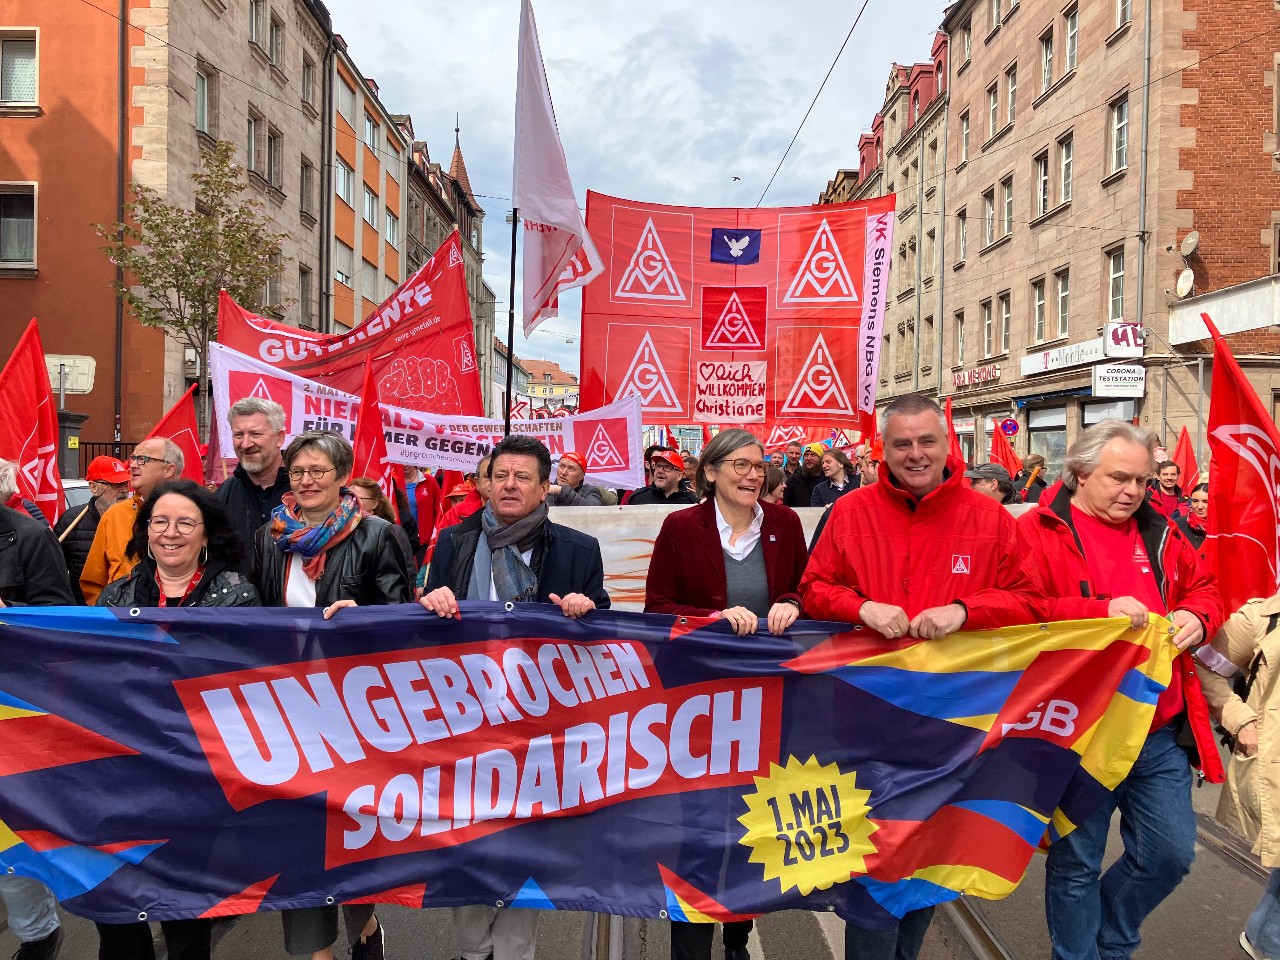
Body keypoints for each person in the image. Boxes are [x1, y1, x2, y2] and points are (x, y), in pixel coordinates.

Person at [799, 394, 1044, 960]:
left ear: (946, 443)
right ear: (884, 449)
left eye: (926, 441)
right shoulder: (851, 511)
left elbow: (1030, 600)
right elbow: (813, 587)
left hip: (952, 718)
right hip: (864, 711)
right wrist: (862, 608)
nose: (915, 454)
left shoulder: (989, 518)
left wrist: (964, 610)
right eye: (902, 444)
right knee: (878, 855)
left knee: (930, 851)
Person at [1017, 419, 1223, 960]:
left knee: (1169, 854)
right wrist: (1095, 612)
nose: (1133, 492)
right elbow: (1015, 614)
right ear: (1079, 474)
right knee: (1076, 863)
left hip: (1155, 728)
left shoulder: (1162, 531)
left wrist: (1199, 617)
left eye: (1142, 481)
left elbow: (1206, 589)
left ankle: (1111, 938)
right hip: (1076, 730)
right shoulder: (1036, 533)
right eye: (1119, 479)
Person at [420, 436, 609, 960]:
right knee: (468, 837)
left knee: (529, 840)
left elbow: (606, 628)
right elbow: (427, 631)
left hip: (542, 727)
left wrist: (585, 609)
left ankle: (516, 949)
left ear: (545, 487)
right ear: (484, 483)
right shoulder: (455, 543)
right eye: (500, 475)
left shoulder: (577, 550)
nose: (509, 485)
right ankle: (472, 948)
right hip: (466, 720)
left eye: (523, 477)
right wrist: (432, 601)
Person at [643, 428, 805, 960]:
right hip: (700, 706)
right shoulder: (680, 526)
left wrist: (790, 603)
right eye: (739, 465)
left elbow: (803, 589)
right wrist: (708, 619)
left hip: (769, 700)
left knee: (756, 821)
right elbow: (657, 608)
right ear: (710, 472)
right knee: (699, 827)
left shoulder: (783, 524)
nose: (752, 474)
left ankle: (739, 933)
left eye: (759, 466)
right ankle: (691, 939)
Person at [253, 430, 411, 960]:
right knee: (298, 833)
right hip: (287, 706)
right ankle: (312, 949)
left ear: (343, 477)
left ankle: (363, 925)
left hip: (351, 710)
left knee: (348, 829)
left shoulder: (377, 535)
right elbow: (254, 617)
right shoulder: (267, 535)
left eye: (318, 471)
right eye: (297, 472)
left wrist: (362, 620)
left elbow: (402, 619)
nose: (306, 481)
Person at [95, 479, 257, 959]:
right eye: (160, 522)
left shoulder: (237, 596)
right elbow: (89, 670)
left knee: (184, 906)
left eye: (186, 523)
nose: (171, 533)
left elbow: (240, 679)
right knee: (116, 900)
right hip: (123, 768)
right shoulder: (116, 594)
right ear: (146, 532)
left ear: (205, 534)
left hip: (194, 770)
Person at [0, 465, 73, 960]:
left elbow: (58, 617)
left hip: (12, 709)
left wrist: (10, 614)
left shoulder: (27, 535)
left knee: (11, 837)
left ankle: (38, 934)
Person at [1197, 594, 1280, 960]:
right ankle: (1266, 941)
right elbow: (1205, 666)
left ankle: (1264, 937)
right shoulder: (1262, 617)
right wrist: (1240, 721)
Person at [81, 437, 182, 604]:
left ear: (169, 469)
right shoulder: (114, 515)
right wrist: (110, 616)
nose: (133, 465)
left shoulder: (196, 514)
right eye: (133, 458)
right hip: (123, 625)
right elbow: (93, 583)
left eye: (143, 459)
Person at [216, 397, 291, 567]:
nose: (246, 443)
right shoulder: (224, 494)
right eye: (238, 435)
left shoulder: (304, 490)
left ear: (279, 438)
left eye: (255, 434)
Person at [53, 456, 131, 603]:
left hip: (126, 611)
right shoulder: (71, 522)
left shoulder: (137, 519)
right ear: (94, 487)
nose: (124, 490)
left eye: (125, 483)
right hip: (83, 611)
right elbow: (53, 572)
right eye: (116, 484)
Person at [348, 477, 417, 573]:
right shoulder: (335, 528)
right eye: (348, 496)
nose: (352, 501)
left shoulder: (390, 530)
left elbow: (406, 569)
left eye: (359, 498)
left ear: (374, 504)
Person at [627, 450, 698, 506]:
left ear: (679, 476)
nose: (660, 471)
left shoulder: (691, 502)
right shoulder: (639, 498)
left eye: (667, 467)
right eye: (658, 466)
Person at [782, 443, 824, 508]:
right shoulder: (794, 479)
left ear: (821, 458)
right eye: (806, 455)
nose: (809, 458)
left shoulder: (827, 478)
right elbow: (785, 504)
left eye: (813, 455)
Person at [1175, 482, 1208, 555]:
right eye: (1195, 501)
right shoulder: (1177, 525)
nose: (1199, 507)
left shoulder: (1223, 529)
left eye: (1205, 502)